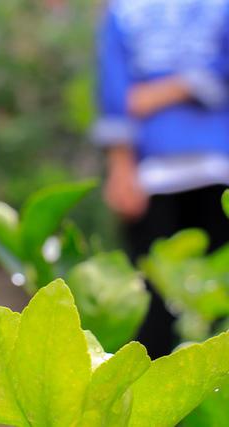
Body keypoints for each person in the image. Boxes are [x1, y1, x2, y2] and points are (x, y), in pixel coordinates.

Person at [93, 0, 229, 358]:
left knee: (221, 299)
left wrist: (162, 91)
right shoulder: (126, 10)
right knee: (151, 303)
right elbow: (115, 93)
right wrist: (120, 170)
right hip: (152, 175)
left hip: (217, 169)